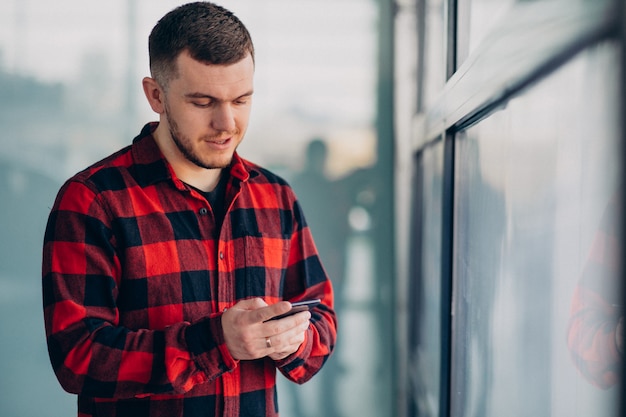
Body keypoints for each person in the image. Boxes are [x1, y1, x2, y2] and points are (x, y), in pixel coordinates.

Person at [41, 3, 337, 417]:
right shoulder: (93, 200)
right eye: (203, 102)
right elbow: (77, 357)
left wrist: (295, 341)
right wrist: (216, 341)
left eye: (241, 100)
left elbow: (320, 317)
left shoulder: (276, 196)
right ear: (155, 95)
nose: (226, 122)